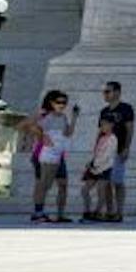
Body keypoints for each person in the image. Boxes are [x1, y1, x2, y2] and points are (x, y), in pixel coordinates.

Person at [18, 90, 78, 224]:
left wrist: (74, 118)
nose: (62, 105)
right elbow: (22, 126)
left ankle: (60, 214)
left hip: (58, 154)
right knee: (42, 184)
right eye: (59, 102)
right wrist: (41, 136)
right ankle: (38, 212)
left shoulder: (63, 117)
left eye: (64, 102)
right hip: (42, 154)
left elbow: (68, 133)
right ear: (51, 102)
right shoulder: (44, 115)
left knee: (63, 184)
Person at [98, 81, 134, 223]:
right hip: (105, 152)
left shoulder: (126, 108)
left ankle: (119, 212)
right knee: (106, 182)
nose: (105, 94)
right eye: (104, 92)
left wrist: (126, 148)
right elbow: (100, 132)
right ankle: (110, 212)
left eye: (108, 91)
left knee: (118, 182)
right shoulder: (103, 111)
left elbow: (129, 129)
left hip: (118, 150)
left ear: (117, 92)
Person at [78, 116, 120, 222]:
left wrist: (95, 164)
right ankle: (87, 211)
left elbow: (107, 155)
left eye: (104, 124)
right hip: (94, 168)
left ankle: (97, 213)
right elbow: (97, 153)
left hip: (105, 168)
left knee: (101, 191)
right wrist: (91, 163)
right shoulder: (101, 138)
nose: (102, 127)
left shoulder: (113, 139)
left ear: (111, 125)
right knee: (84, 190)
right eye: (101, 125)